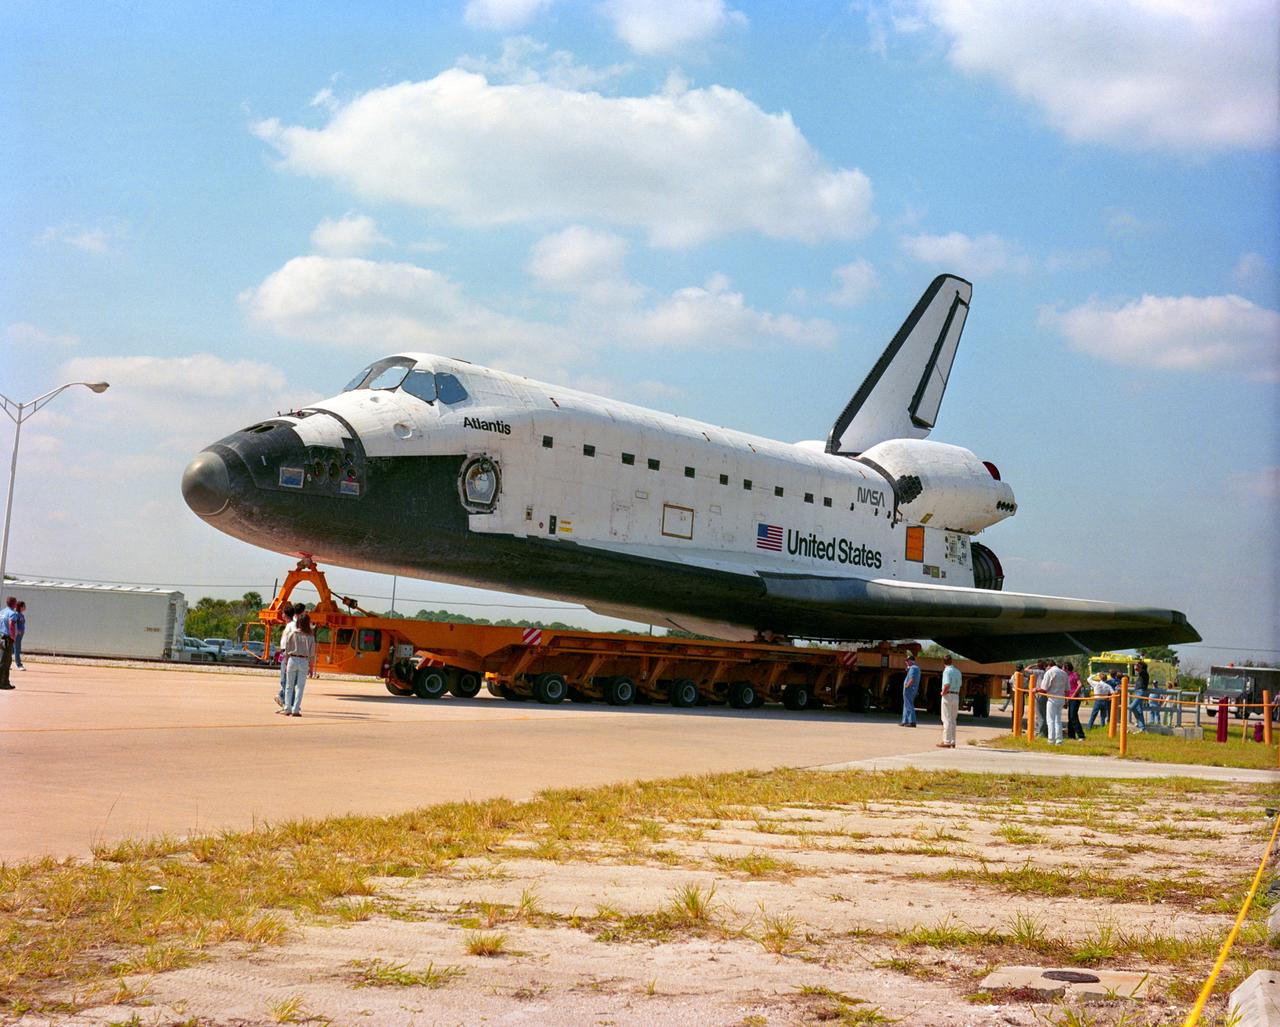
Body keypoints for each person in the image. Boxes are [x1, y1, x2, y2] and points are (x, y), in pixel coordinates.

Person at [279, 611, 316, 717]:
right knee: (300, 687)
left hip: (292, 659)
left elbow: (287, 651)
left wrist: (286, 664)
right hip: (304, 661)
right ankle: (295, 709)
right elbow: (312, 655)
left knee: (289, 686)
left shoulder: (292, 634)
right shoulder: (310, 637)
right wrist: (311, 668)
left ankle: (287, 708)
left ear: (298, 623)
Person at [1042, 659, 1069, 745]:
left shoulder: (1049, 672)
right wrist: (1066, 700)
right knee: (1058, 720)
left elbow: (1044, 688)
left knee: (1050, 720)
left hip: (1052, 699)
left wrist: (1035, 689)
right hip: (1061, 698)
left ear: (1048, 665)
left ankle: (1051, 740)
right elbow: (1067, 689)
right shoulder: (1064, 673)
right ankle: (1059, 740)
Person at [937, 655, 961, 748]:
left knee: (946, 719)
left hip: (948, 695)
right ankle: (953, 740)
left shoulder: (946, 671)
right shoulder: (958, 671)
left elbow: (947, 684)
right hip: (956, 695)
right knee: (953, 719)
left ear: (943, 662)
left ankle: (946, 741)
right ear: (952, 661)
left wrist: (943, 692)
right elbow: (960, 684)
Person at [274, 602, 295, 708]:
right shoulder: (289, 625)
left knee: (285, 680)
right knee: (286, 680)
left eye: (282, 613)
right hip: (284, 653)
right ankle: (287, 701)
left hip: (287, 654)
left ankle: (287, 701)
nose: (281, 615)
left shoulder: (292, 625)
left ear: (285, 614)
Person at [1064, 661, 1085, 739]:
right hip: (1069, 698)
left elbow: (1080, 685)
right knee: (1070, 717)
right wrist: (1066, 701)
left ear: (1066, 668)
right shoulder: (1065, 676)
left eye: (1063, 668)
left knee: (1073, 716)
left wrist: (1073, 695)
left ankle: (1081, 735)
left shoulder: (1074, 674)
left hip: (1075, 698)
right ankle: (1071, 736)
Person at [0, 596, 16, 690]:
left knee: (5, 660)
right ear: (14, 603)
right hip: (7, 639)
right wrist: (13, 636)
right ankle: (3, 682)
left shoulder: (2, 612)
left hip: (1, 637)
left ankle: (6, 681)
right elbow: (11, 624)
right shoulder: (12, 613)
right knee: (5, 662)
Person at [1029, 660, 1048, 737]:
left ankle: (1041, 733)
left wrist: (1034, 665)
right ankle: (1041, 731)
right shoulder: (1046, 672)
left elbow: (1026, 669)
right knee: (1042, 714)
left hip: (1039, 694)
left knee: (1040, 714)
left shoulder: (1038, 672)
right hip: (1045, 694)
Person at [901, 655, 921, 727]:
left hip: (909, 689)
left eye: (907, 661)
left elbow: (912, 679)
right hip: (910, 689)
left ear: (911, 661)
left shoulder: (913, 668)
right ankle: (905, 721)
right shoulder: (915, 668)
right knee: (906, 705)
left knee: (909, 705)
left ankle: (912, 721)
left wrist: (907, 686)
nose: (906, 662)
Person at [13, 600, 26, 670]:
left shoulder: (22, 615)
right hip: (17, 635)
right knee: (17, 649)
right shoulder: (16, 614)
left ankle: (6, 664)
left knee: (13, 649)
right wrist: (17, 631)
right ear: (20, 607)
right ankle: (19, 665)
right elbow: (14, 623)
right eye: (24, 606)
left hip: (20, 634)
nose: (25, 607)